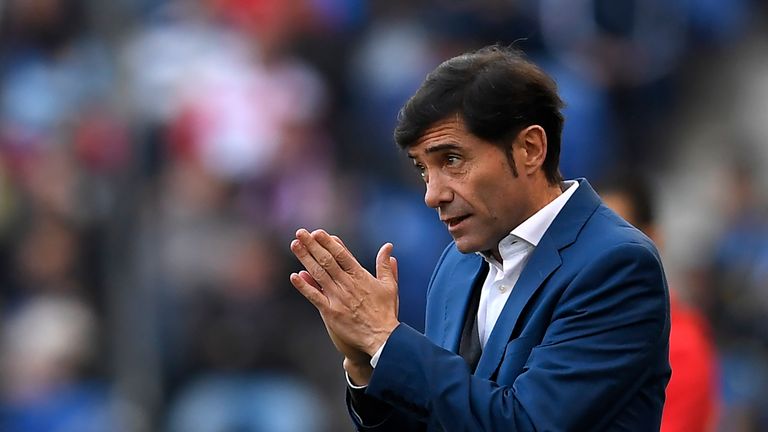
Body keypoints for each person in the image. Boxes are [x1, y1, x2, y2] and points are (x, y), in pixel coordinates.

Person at [289, 45, 671, 431]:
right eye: (423, 169)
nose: (432, 194)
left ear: (530, 149)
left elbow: (528, 424)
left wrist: (386, 340)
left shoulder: (616, 264)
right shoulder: (457, 264)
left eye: (451, 160)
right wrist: (366, 364)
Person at [600, 178, 720, 432]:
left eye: (616, 235)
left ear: (653, 238)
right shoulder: (572, 324)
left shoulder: (683, 344)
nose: (600, 252)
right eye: (593, 236)